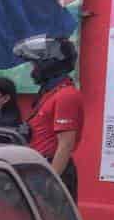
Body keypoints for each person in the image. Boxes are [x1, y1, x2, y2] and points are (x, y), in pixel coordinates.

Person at [17, 34, 83, 199]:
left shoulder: (66, 95)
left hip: (52, 170)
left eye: (34, 64)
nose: (32, 70)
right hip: (39, 167)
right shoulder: (50, 93)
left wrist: (52, 181)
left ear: (48, 64)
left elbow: (66, 144)